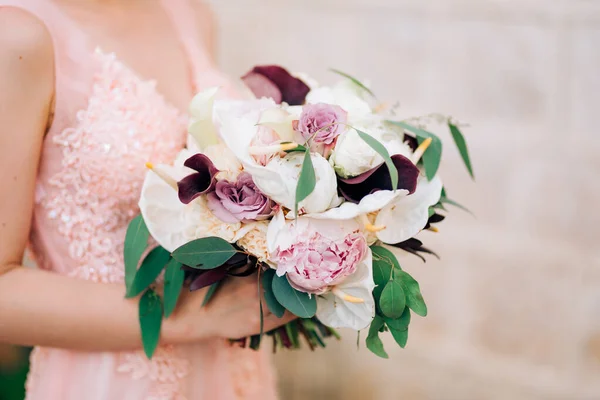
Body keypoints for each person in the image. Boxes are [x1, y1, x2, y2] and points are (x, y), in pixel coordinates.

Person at [0, 0, 295, 398]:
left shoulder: (188, 12)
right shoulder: (16, 35)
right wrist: (195, 316)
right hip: (114, 379)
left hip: (232, 369)